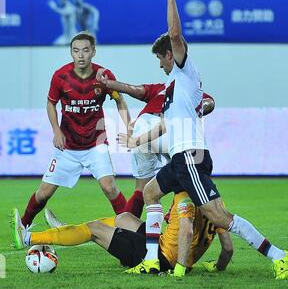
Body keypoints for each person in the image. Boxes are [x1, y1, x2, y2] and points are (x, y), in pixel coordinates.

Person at [130, 0, 288, 280]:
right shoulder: (173, 87)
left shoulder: (184, 71)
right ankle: (152, 260)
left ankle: (280, 257)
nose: (161, 64)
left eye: (160, 58)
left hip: (191, 157)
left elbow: (175, 34)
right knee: (150, 193)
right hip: (181, 159)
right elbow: (180, 117)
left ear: (170, 54)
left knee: (219, 216)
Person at [10, 32, 130, 234]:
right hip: (67, 146)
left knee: (109, 187)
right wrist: (56, 131)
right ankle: (23, 225)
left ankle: (131, 230)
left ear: (93, 51)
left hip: (96, 142)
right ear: (71, 53)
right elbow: (51, 103)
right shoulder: (60, 76)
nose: (80, 55)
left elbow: (119, 100)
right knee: (43, 193)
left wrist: (130, 127)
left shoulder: (104, 76)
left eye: (85, 50)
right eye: (76, 51)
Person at [11, 191, 234, 276]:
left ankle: (29, 238)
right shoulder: (217, 202)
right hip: (166, 245)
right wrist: (217, 267)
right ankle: (65, 229)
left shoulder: (184, 197)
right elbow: (228, 249)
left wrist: (180, 270)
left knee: (95, 229)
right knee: (124, 218)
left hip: (161, 258)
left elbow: (186, 230)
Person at [97, 72, 215, 218]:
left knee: (140, 188)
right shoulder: (194, 94)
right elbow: (209, 103)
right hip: (165, 129)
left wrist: (109, 83)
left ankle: (127, 228)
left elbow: (134, 89)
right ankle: (174, 213)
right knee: (188, 170)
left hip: (142, 126)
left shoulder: (162, 88)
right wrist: (196, 109)